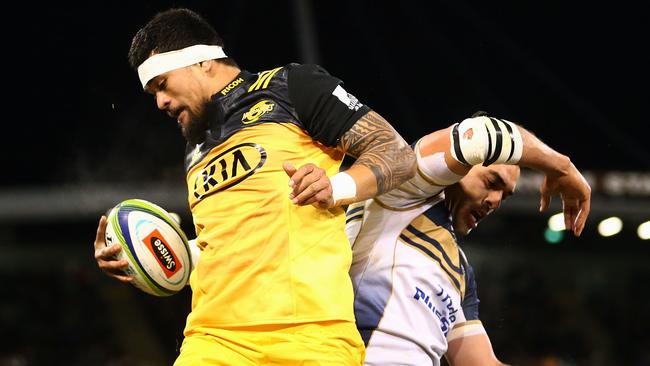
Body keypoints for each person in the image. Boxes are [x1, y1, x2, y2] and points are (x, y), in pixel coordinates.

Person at [93, 7, 417, 365]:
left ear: (202, 61)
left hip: (311, 336)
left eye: (162, 84)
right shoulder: (194, 149)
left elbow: (398, 154)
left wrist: (336, 187)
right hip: (212, 341)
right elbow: (221, 246)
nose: (160, 102)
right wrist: (146, 254)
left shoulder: (291, 86)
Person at [345, 113, 591, 365]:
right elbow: (478, 135)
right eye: (492, 182)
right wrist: (562, 166)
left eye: (504, 196)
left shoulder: (461, 270)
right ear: (461, 166)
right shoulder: (402, 190)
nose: (495, 201)